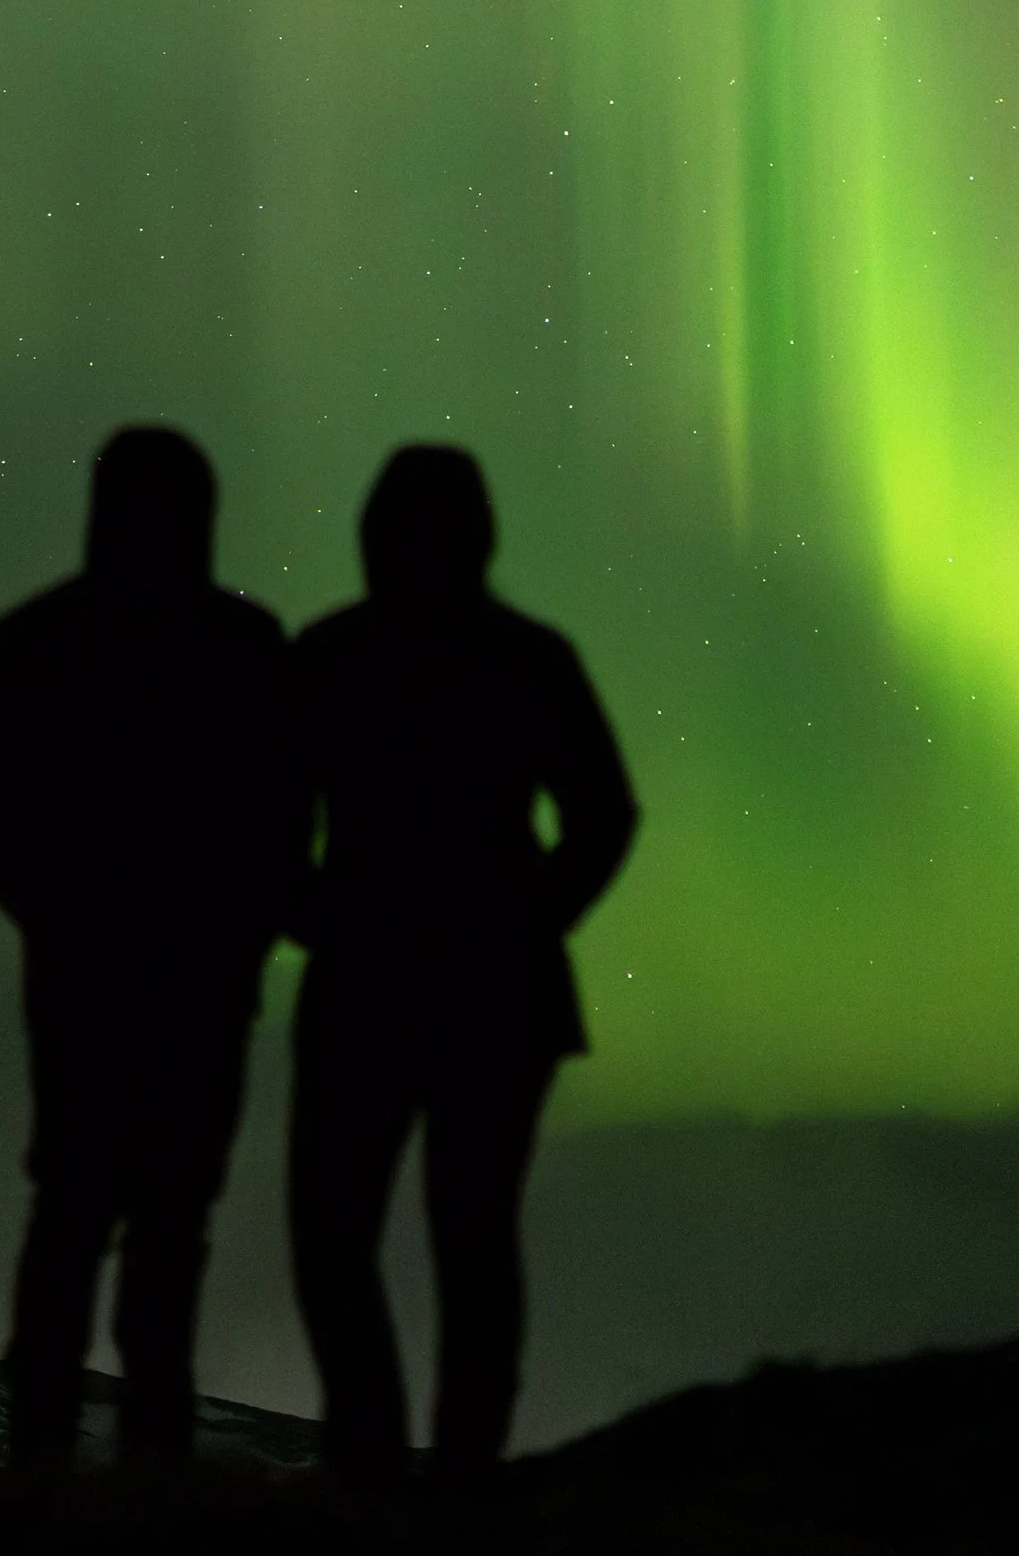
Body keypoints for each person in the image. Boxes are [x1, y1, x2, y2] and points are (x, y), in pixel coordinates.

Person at [0, 426, 304, 1468]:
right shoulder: (246, 643)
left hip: (87, 982)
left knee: (74, 1219)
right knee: (160, 1235)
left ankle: (45, 1478)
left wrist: (57, 911)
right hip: (192, 983)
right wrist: (235, 927)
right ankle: (145, 1486)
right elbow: (287, 820)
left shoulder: (40, 635)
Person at [287, 444, 637, 1488]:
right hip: (493, 988)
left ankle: (381, 1459)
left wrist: (320, 918)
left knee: (346, 1234)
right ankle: (454, 1470)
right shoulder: (526, 654)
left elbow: (259, 823)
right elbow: (603, 815)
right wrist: (533, 919)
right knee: (469, 1235)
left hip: (376, 984)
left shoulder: (332, 653)